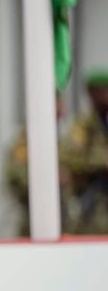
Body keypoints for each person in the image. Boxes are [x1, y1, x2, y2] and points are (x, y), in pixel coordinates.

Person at [5, 93, 70, 237]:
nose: (62, 109)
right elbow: (16, 176)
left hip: (66, 220)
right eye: (56, 104)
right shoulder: (25, 142)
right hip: (34, 222)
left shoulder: (63, 138)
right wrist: (51, 177)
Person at [61, 70, 108, 234]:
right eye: (99, 92)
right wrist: (101, 161)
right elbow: (68, 156)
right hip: (94, 201)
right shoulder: (83, 126)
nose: (104, 96)